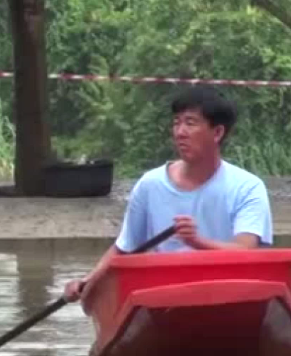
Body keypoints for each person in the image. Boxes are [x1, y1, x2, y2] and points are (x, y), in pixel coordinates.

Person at [64, 86, 273, 302]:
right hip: (164, 295)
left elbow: (247, 254)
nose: (180, 132)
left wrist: (198, 242)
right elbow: (124, 249)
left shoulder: (248, 187)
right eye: (176, 122)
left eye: (190, 123)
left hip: (226, 293)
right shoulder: (150, 185)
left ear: (217, 133)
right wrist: (86, 281)